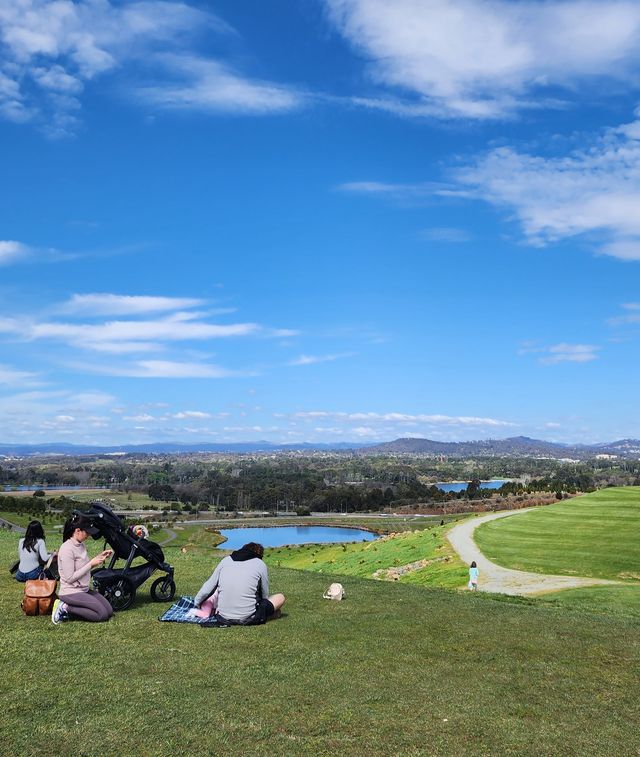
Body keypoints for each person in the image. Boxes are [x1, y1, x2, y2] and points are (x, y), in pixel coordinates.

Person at [193, 542, 285, 625]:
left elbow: (208, 586)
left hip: (223, 616)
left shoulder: (225, 561)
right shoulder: (260, 564)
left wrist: (197, 603)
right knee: (280, 597)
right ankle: (268, 615)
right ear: (260, 554)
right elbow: (264, 595)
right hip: (249, 617)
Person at [51, 515, 114, 624]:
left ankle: (70, 607)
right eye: (87, 532)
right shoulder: (67, 549)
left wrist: (99, 557)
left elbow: (83, 565)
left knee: (109, 611)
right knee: (102, 615)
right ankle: (64, 607)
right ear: (78, 530)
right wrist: (91, 564)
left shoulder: (80, 545)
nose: (89, 535)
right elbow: (69, 578)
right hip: (70, 592)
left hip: (83, 589)